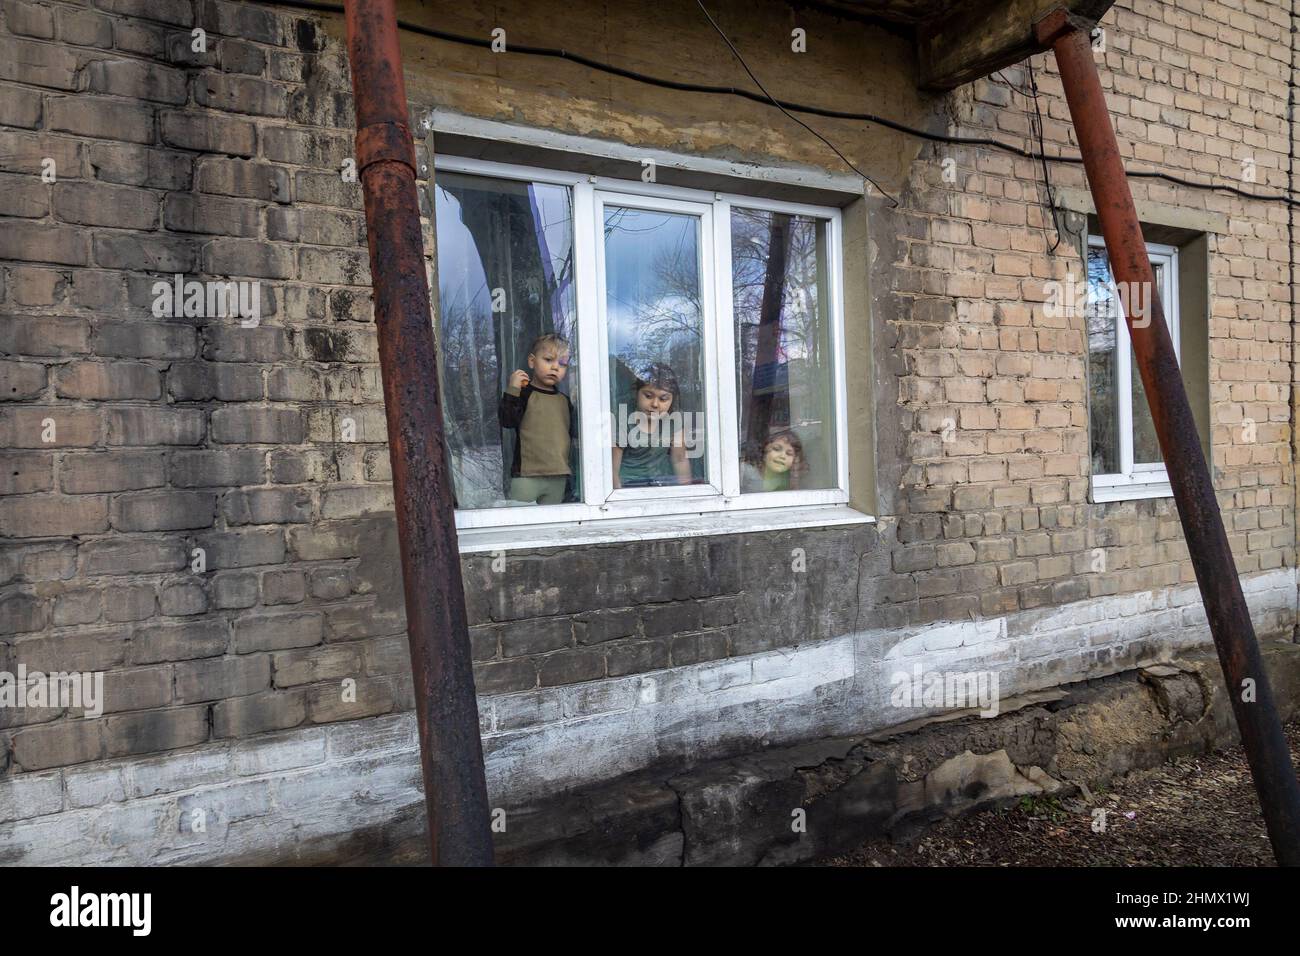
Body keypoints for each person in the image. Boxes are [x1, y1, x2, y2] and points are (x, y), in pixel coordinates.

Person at [497, 333, 577, 505]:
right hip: (527, 474)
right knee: (520, 527)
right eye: (548, 360)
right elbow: (507, 420)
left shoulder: (564, 400)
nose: (555, 367)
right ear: (532, 362)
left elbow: (572, 435)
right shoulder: (524, 394)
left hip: (558, 475)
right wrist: (513, 389)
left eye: (562, 364)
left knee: (551, 528)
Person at [612, 363, 693, 489]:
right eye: (648, 396)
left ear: (672, 401)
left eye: (663, 399)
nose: (655, 404)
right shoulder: (623, 419)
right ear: (636, 393)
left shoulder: (673, 421)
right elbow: (612, 470)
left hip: (660, 485)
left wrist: (688, 495)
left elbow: (680, 459)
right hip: (628, 486)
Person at [740, 429, 804, 493]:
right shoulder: (745, 471)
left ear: (794, 461)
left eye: (789, 454)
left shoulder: (790, 479)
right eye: (776, 449)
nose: (782, 456)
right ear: (765, 452)